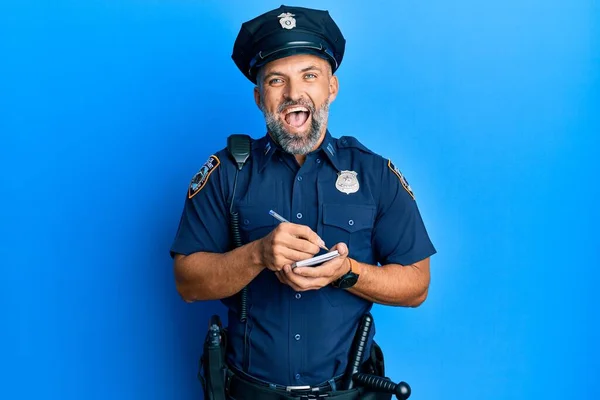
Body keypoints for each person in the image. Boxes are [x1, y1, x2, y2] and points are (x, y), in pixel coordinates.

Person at [170, 5, 436, 400]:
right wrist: (257, 254)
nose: (295, 93)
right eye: (277, 80)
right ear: (260, 97)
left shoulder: (374, 174)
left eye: (309, 76)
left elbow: (417, 284)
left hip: (347, 393)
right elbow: (187, 282)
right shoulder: (227, 172)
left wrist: (346, 272)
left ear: (331, 87)